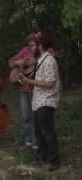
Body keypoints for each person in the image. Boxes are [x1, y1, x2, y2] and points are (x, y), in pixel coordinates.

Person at [19, 32, 61, 171]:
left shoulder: (49, 60)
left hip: (47, 100)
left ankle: (54, 161)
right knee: (38, 131)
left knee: (47, 131)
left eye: (35, 44)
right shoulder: (41, 59)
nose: (33, 47)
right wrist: (24, 79)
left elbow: (49, 83)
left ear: (41, 45)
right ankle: (42, 157)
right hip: (38, 100)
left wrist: (29, 81)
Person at [9, 34, 38, 148]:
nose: (32, 47)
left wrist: (33, 62)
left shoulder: (41, 53)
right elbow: (10, 62)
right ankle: (28, 141)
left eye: (34, 45)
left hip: (35, 89)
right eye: (30, 45)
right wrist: (19, 63)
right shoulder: (25, 51)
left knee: (34, 116)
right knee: (26, 116)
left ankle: (36, 142)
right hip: (23, 88)